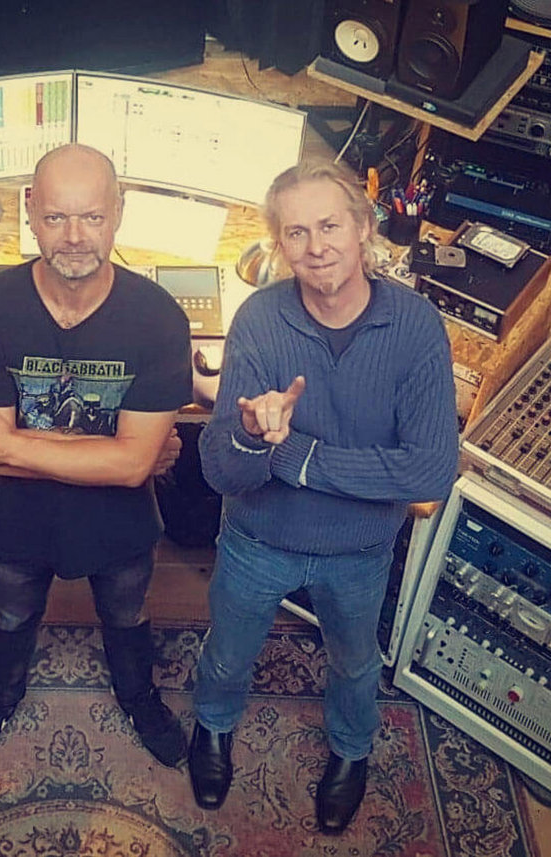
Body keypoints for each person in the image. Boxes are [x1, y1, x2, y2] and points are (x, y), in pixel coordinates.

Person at [188, 160, 459, 831]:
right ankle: (213, 726)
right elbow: (222, 471)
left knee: (356, 663)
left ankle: (351, 750)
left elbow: (429, 472)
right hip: (258, 539)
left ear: (363, 226)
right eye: (297, 232)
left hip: (359, 551)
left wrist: (298, 458)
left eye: (330, 225)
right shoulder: (259, 318)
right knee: (228, 652)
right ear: (279, 245)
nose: (316, 246)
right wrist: (251, 435)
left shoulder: (417, 325)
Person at [0, 143, 193, 773]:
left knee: (127, 612)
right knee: (11, 612)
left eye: (92, 217)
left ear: (119, 212)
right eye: (57, 217)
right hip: (17, 518)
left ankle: (138, 697)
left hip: (121, 524)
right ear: (30, 211)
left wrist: (13, 444)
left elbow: (4, 447)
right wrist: (117, 453)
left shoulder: (158, 318)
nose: (75, 237)